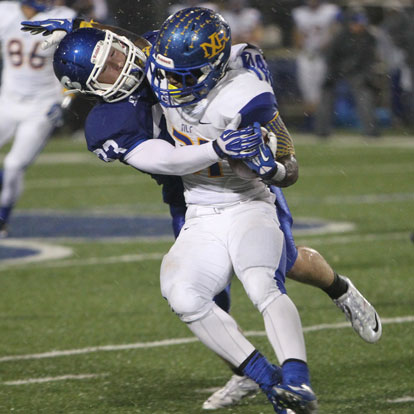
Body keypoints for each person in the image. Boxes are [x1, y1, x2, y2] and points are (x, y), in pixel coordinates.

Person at [22, 8, 382, 412]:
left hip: (241, 182)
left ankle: (341, 290)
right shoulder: (111, 118)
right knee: (200, 294)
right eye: (105, 71)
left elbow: (284, 155)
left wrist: (82, 27)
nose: (122, 65)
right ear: (92, 89)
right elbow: (164, 159)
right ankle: (247, 374)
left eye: (118, 53)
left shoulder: (170, 55)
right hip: (188, 193)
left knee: (285, 263)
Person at [0, 0, 78, 237]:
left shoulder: (64, 16)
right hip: (8, 100)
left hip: (42, 106)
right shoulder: (5, 11)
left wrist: (65, 101)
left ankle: (2, 217)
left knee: (14, 166)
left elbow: (75, 63)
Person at [315, 10, 381, 138]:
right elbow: (331, 58)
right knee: (326, 94)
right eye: (357, 24)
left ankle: (371, 131)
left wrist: (364, 76)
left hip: (358, 72)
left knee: (364, 96)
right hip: (337, 71)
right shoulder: (341, 37)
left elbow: (368, 61)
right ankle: (321, 130)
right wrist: (332, 74)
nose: (359, 27)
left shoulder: (368, 38)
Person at [292, 0, 341, 132]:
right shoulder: (300, 13)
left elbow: (335, 32)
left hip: (322, 56)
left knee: (320, 91)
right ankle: (310, 122)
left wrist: (326, 46)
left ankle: (320, 123)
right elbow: (297, 35)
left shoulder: (330, 10)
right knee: (307, 90)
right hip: (306, 54)